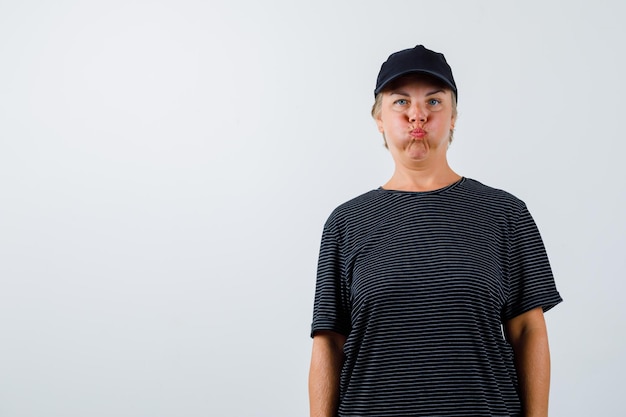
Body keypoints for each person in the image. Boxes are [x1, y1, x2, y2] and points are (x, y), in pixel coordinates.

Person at [308, 45, 562, 417]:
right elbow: (328, 343)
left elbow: (528, 330)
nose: (417, 115)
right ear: (379, 118)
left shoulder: (506, 214)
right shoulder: (347, 222)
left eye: (434, 101)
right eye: (400, 102)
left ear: (454, 116)